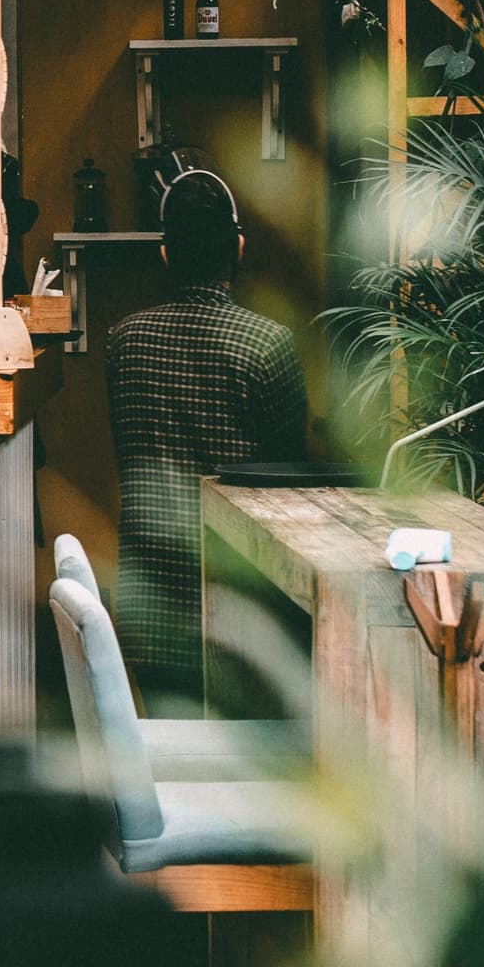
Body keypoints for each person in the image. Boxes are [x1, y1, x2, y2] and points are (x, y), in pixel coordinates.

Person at [100, 166, 307, 699]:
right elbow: (293, 472)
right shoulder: (267, 344)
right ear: (237, 249)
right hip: (241, 615)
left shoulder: (124, 341)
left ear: (165, 254)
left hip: (148, 606)